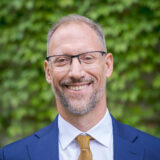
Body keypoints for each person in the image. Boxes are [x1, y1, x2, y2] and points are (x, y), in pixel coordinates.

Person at [0, 14, 160, 160]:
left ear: (108, 65)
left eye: (88, 58)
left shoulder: (154, 152)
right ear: (48, 72)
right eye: (62, 60)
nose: (76, 72)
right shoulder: (11, 156)